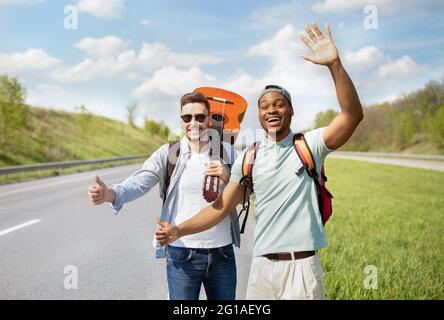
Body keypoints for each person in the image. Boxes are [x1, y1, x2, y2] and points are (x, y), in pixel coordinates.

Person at [155, 22, 364, 300]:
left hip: (301, 266)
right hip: (262, 269)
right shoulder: (248, 158)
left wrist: (334, 65)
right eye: (264, 106)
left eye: (279, 104)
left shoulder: (310, 145)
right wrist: (178, 229)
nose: (271, 110)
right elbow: (220, 208)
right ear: (259, 116)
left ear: (291, 110)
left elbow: (352, 115)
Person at [87, 91, 240, 300]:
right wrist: (110, 194)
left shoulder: (229, 152)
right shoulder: (169, 153)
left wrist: (227, 175)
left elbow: (243, 191)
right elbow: (140, 182)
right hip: (182, 252)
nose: (193, 123)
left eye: (199, 117)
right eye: (187, 118)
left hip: (222, 253)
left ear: (209, 119)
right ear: (181, 121)